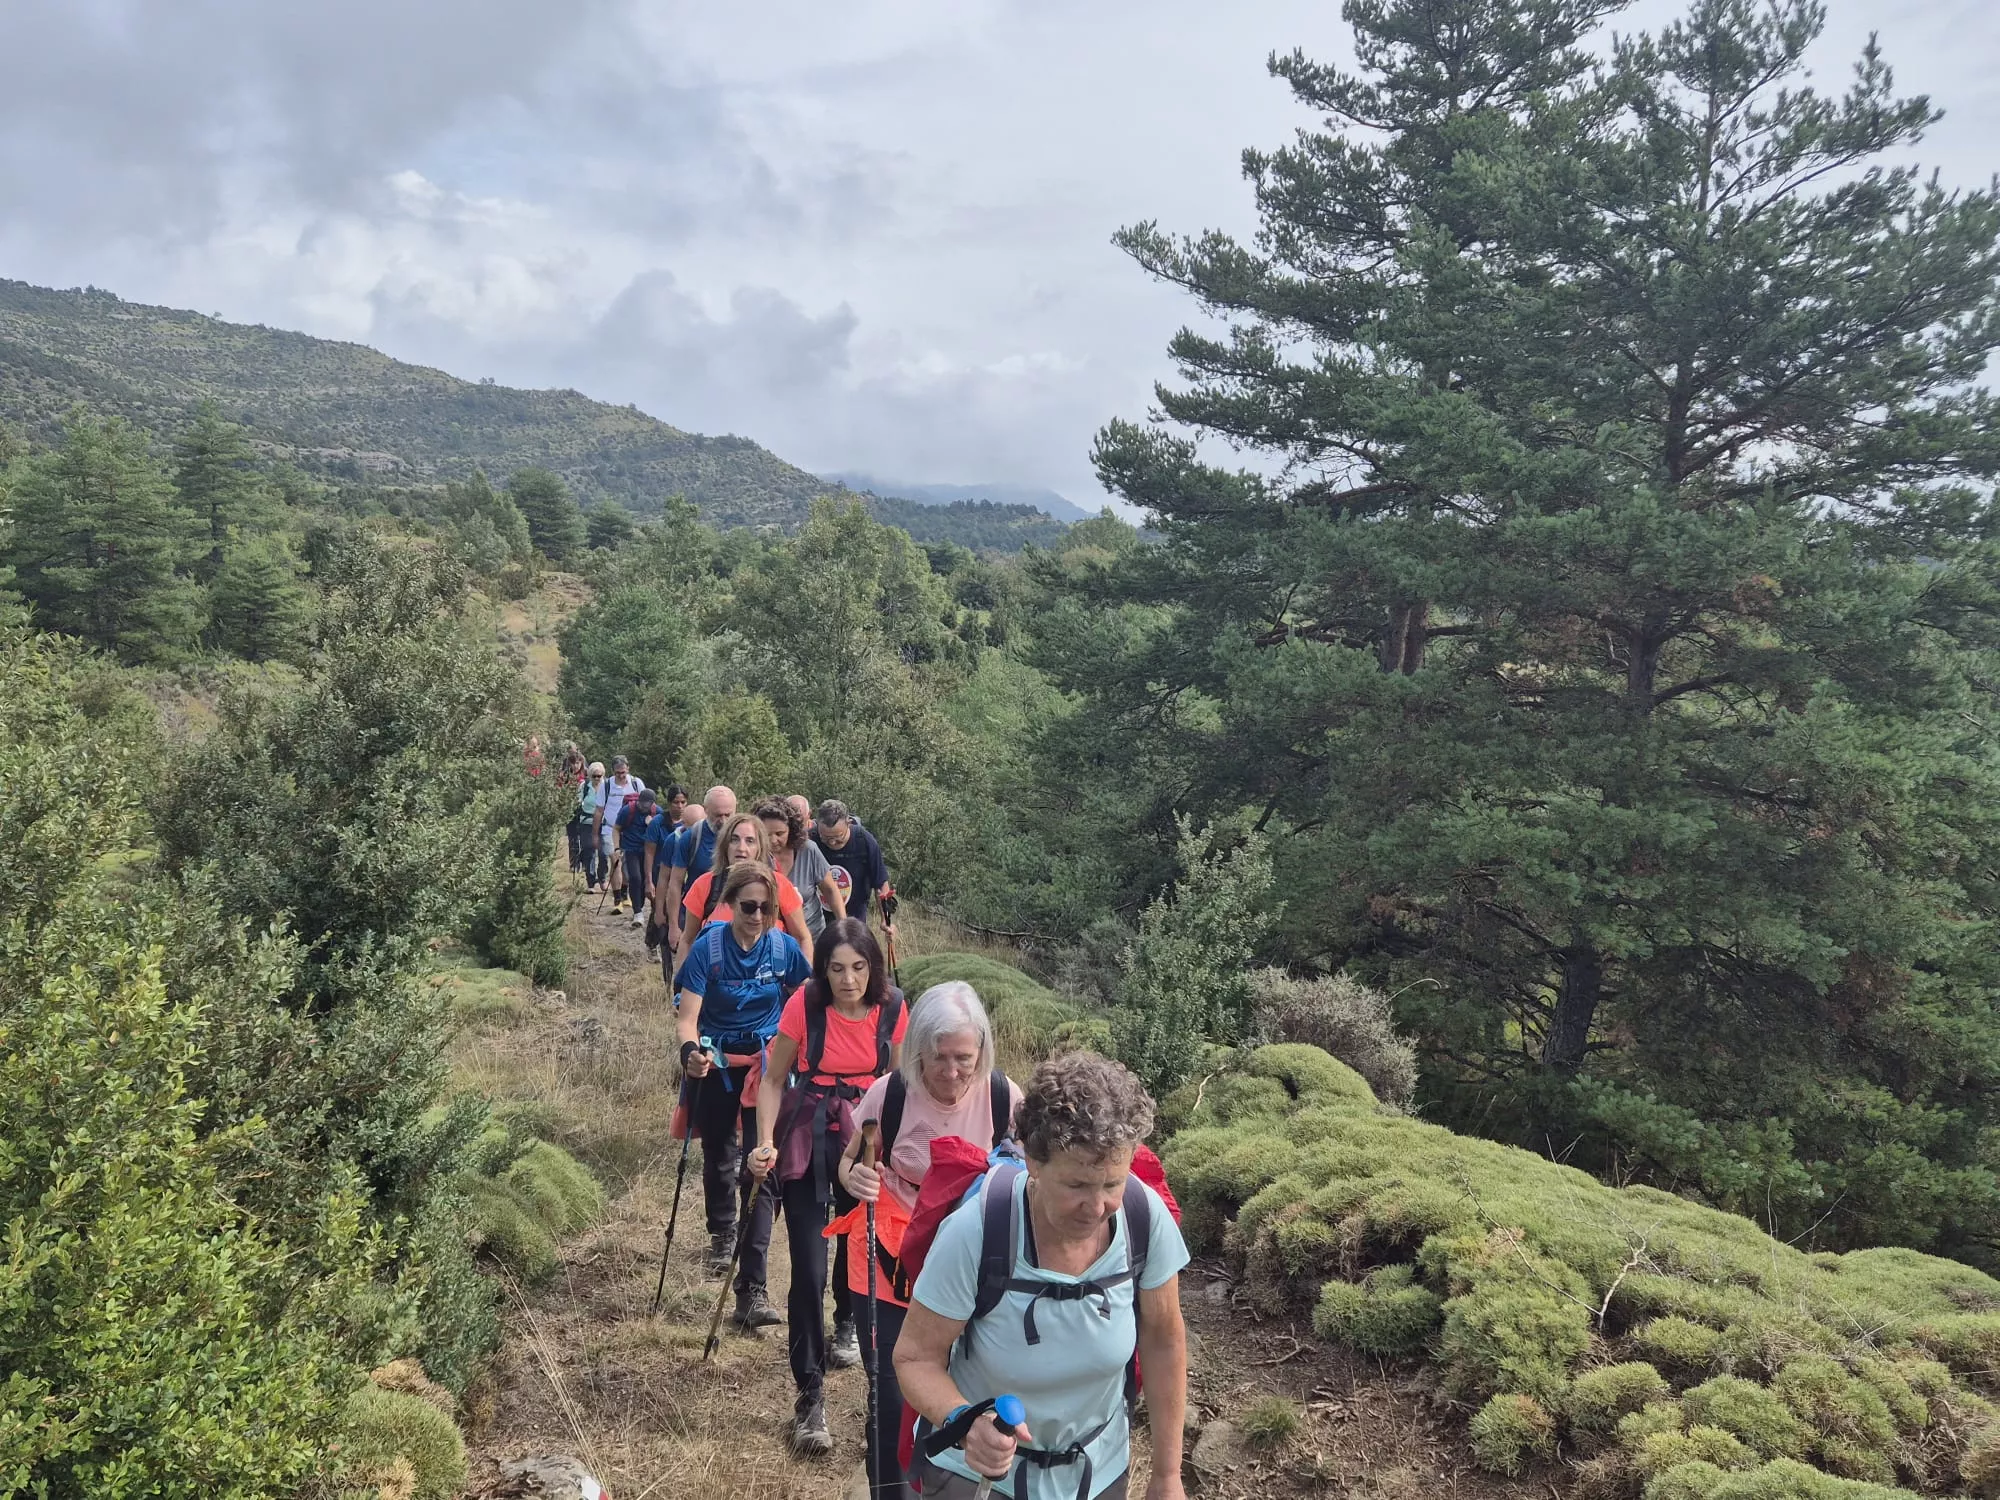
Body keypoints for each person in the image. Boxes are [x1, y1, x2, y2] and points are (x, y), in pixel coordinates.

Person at [894, 1052, 1189, 1500]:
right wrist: (964, 1422)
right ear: (1033, 1160)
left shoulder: (1143, 1219)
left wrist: (1167, 1475)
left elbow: (1164, 1341)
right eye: (1076, 1185)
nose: (1097, 1207)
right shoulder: (977, 1231)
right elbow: (915, 1358)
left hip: (1096, 1472)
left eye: (1113, 1183)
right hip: (981, 1478)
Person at [838, 983, 1022, 1500]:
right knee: (892, 1392)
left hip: (970, 1263)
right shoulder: (891, 1094)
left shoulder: (1004, 1097)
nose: (952, 1071)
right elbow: (850, 1161)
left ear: (982, 1050)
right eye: (938, 1057)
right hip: (889, 1256)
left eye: (964, 1058)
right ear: (918, 1049)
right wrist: (854, 1178)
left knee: (958, 1385)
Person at [748, 919, 908, 1456]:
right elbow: (774, 1078)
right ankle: (809, 1397)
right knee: (808, 1271)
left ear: (873, 967)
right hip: (810, 1135)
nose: (848, 980)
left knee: (860, 1259)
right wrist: (764, 1141)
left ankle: (848, 1327)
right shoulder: (805, 1004)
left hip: (868, 1142)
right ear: (823, 970)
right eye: (837, 968)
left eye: (858, 967)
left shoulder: (892, 1008)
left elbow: (900, 1088)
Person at [677, 860, 812, 1331]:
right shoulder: (708, 949)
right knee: (718, 1151)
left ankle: (751, 1289)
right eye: (749, 907)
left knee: (760, 1165)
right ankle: (721, 1232)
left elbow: (807, 996)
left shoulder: (783, 948)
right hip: (716, 1061)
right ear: (730, 904)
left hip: (766, 1068)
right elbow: (686, 1017)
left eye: (766, 908)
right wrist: (691, 1053)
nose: (758, 916)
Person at [678, 812, 815, 966]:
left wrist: (803, 979)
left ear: (759, 847)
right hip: (714, 978)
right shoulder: (705, 885)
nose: (741, 848)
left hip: (771, 978)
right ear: (725, 845)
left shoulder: (779, 885)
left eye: (750, 841)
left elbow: (802, 938)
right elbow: (688, 940)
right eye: (734, 839)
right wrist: (683, 978)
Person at [757, 796, 846, 940]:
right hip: (770, 938)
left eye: (780, 834)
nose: (773, 840)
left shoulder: (808, 850)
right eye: (767, 834)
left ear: (791, 829)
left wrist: (844, 927)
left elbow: (830, 890)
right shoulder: (754, 855)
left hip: (812, 934)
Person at [664, 784, 737, 952]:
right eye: (717, 815)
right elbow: (675, 883)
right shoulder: (691, 838)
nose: (723, 821)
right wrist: (673, 926)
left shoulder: (745, 839)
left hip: (734, 919)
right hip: (696, 918)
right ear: (706, 810)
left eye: (728, 814)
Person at [814, 799, 895, 933]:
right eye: (825, 838)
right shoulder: (811, 840)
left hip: (855, 918)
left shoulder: (864, 841)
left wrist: (886, 919)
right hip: (818, 920)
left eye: (838, 837)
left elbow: (880, 883)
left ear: (849, 823)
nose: (832, 843)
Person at [593, 755, 646, 914]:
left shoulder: (636, 783)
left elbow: (646, 806)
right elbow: (599, 811)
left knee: (627, 863)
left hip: (631, 831)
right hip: (610, 829)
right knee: (615, 861)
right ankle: (617, 899)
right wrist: (595, 835)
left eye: (623, 772)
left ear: (628, 768)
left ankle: (624, 893)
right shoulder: (606, 785)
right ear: (613, 771)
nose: (621, 775)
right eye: (618, 773)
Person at [615, 788, 665, 929]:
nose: (643, 806)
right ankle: (637, 912)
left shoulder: (658, 812)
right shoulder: (627, 811)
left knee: (649, 879)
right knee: (635, 877)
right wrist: (617, 848)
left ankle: (653, 910)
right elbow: (616, 828)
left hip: (651, 851)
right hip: (631, 849)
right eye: (642, 803)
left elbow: (664, 832)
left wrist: (652, 824)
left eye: (647, 804)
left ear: (653, 803)